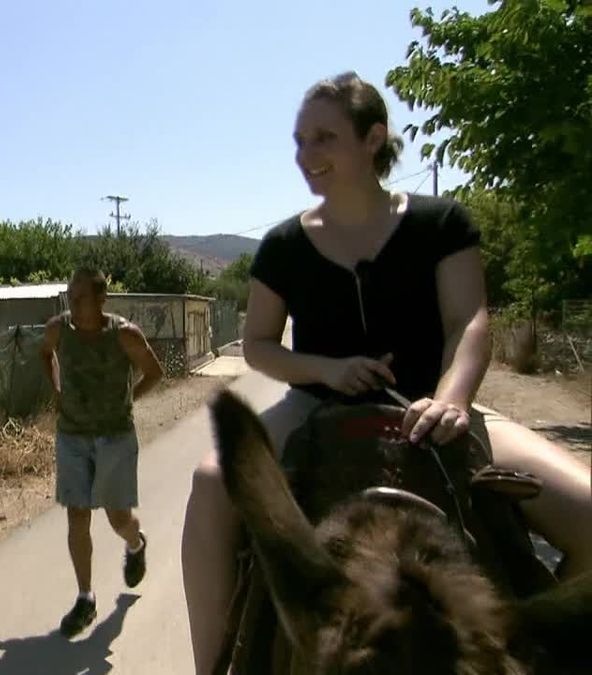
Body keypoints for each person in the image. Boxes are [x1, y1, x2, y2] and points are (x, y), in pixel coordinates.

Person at [179, 71, 592, 673]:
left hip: (437, 408)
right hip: (316, 407)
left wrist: (452, 398)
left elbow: (469, 321)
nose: (306, 155)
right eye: (299, 140)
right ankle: (211, 664)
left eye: (324, 137)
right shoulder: (283, 245)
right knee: (213, 482)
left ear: (373, 139)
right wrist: (327, 368)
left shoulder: (441, 222)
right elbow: (260, 345)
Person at [39, 267, 165, 638]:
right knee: (77, 515)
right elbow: (45, 354)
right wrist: (57, 390)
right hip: (72, 436)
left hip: (114, 437)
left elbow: (154, 372)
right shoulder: (58, 330)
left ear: (101, 300)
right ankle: (85, 598)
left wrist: (128, 401)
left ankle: (136, 543)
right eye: (70, 297)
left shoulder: (124, 335)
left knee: (117, 519)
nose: (73, 304)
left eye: (80, 298)